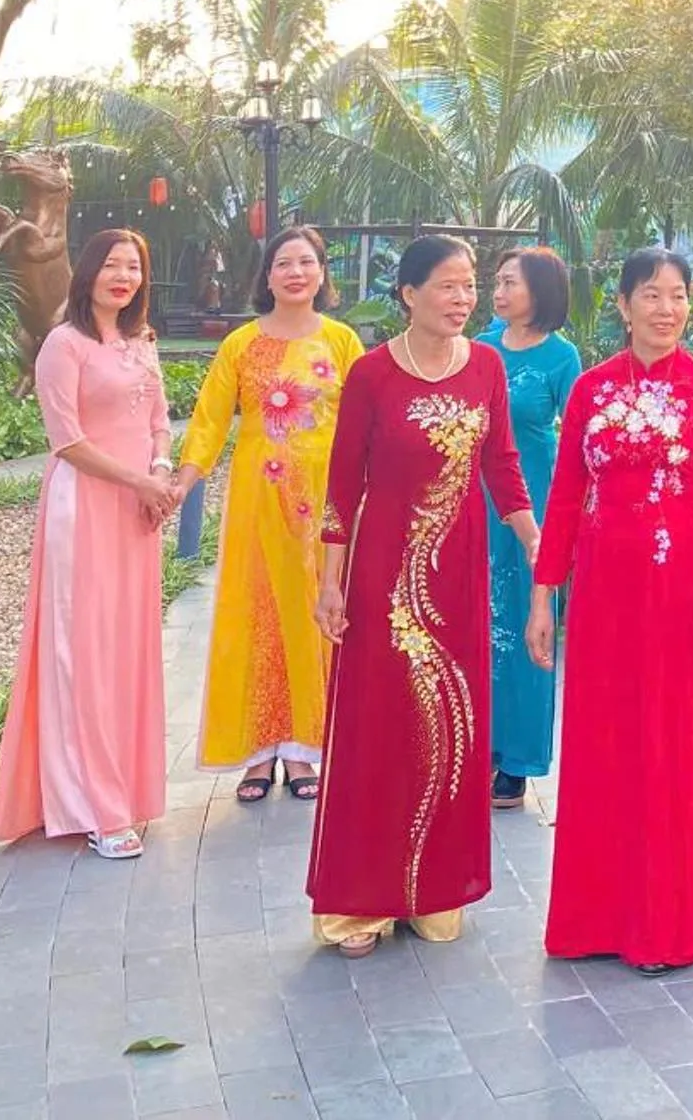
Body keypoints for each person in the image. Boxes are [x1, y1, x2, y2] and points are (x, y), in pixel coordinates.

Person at [528, 246, 693, 970]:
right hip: (602, 595)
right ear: (623, 305)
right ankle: (595, 918)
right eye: (653, 296)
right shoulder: (592, 392)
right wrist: (545, 594)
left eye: (680, 296)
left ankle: (667, 922)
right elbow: (564, 496)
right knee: (606, 743)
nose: (668, 310)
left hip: (682, 594)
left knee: (672, 745)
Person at [306, 235, 536, 957]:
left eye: (469, 286)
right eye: (447, 285)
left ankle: (434, 888)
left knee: (450, 725)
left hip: (459, 573)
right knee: (379, 727)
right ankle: (361, 901)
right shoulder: (372, 375)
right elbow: (343, 485)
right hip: (384, 573)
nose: (463, 298)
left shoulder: (488, 366)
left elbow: (501, 465)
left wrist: (536, 541)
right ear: (407, 294)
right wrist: (330, 582)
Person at [0, 229, 175, 860]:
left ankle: (125, 786)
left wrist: (160, 470)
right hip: (86, 508)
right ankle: (92, 804)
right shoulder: (62, 345)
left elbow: (159, 423)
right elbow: (66, 441)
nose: (122, 277)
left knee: (128, 648)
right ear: (88, 272)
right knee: (85, 651)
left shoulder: (142, 343)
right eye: (112, 266)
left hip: (135, 515)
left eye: (134, 267)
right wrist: (140, 484)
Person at [169, 226, 365, 802]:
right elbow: (208, 418)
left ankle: (306, 751)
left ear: (323, 273)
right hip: (258, 504)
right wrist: (185, 477)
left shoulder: (342, 341)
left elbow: (367, 419)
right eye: (284, 263)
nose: (296, 272)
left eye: (307, 262)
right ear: (268, 276)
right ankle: (257, 754)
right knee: (254, 618)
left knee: (313, 615)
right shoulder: (241, 344)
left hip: (323, 509)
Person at [476, 246, 581, 808]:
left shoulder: (563, 358)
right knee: (474, 620)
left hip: (533, 508)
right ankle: (475, 744)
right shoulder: (478, 349)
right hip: (474, 502)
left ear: (540, 290)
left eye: (510, 282)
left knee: (526, 623)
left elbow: (581, 437)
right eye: (496, 281)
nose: (499, 291)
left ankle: (516, 759)